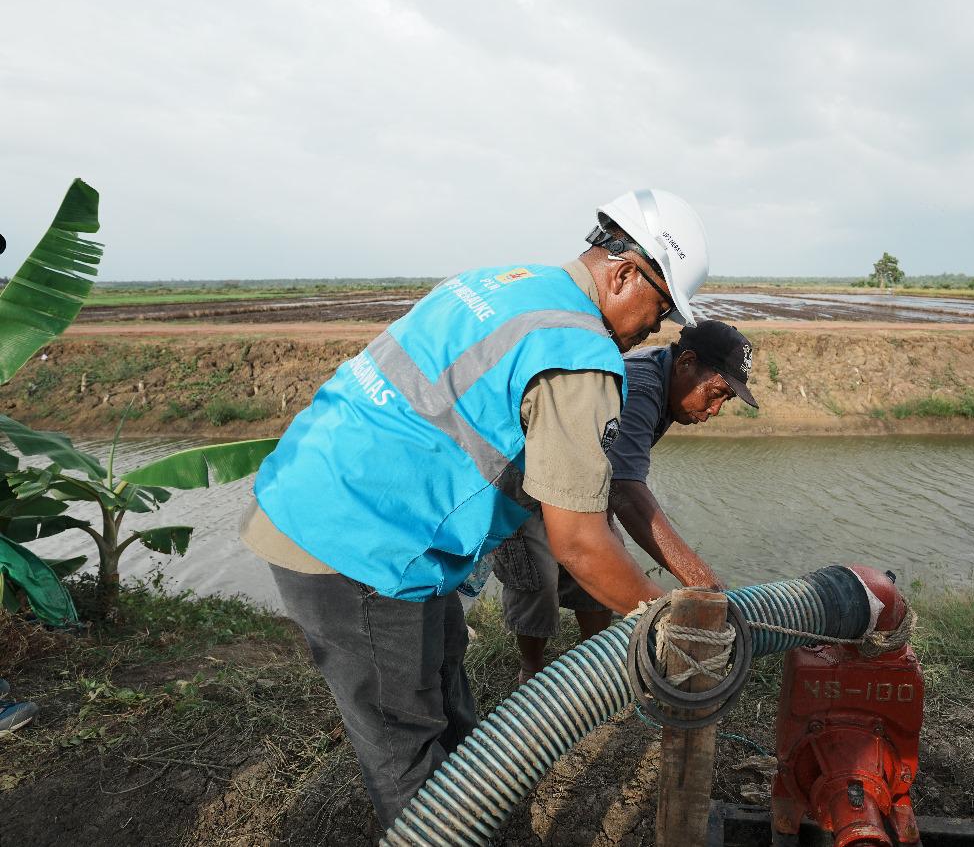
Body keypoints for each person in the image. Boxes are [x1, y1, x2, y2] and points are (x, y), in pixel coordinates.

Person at [239, 188, 711, 826]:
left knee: (446, 684)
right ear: (625, 273)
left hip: (322, 490)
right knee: (406, 745)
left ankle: (482, 820)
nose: (659, 327)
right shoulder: (579, 353)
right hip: (359, 542)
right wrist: (671, 626)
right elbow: (579, 542)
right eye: (662, 305)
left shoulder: (499, 282)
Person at [493, 319, 758, 681]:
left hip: (578, 478)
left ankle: (596, 665)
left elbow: (613, 471)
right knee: (537, 579)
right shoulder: (643, 386)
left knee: (602, 566)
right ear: (686, 363)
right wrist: (705, 587)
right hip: (525, 478)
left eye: (724, 401)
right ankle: (531, 672)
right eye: (715, 394)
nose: (715, 410)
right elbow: (627, 490)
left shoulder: (669, 383)